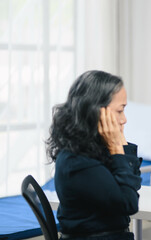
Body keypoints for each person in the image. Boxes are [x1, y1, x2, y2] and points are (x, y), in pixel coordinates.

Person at [46, 70, 142, 240]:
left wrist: (117, 145)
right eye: (120, 111)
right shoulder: (77, 161)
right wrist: (116, 146)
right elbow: (128, 202)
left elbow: (130, 182)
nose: (124, 119)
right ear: (96, 111)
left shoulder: (90, 147)